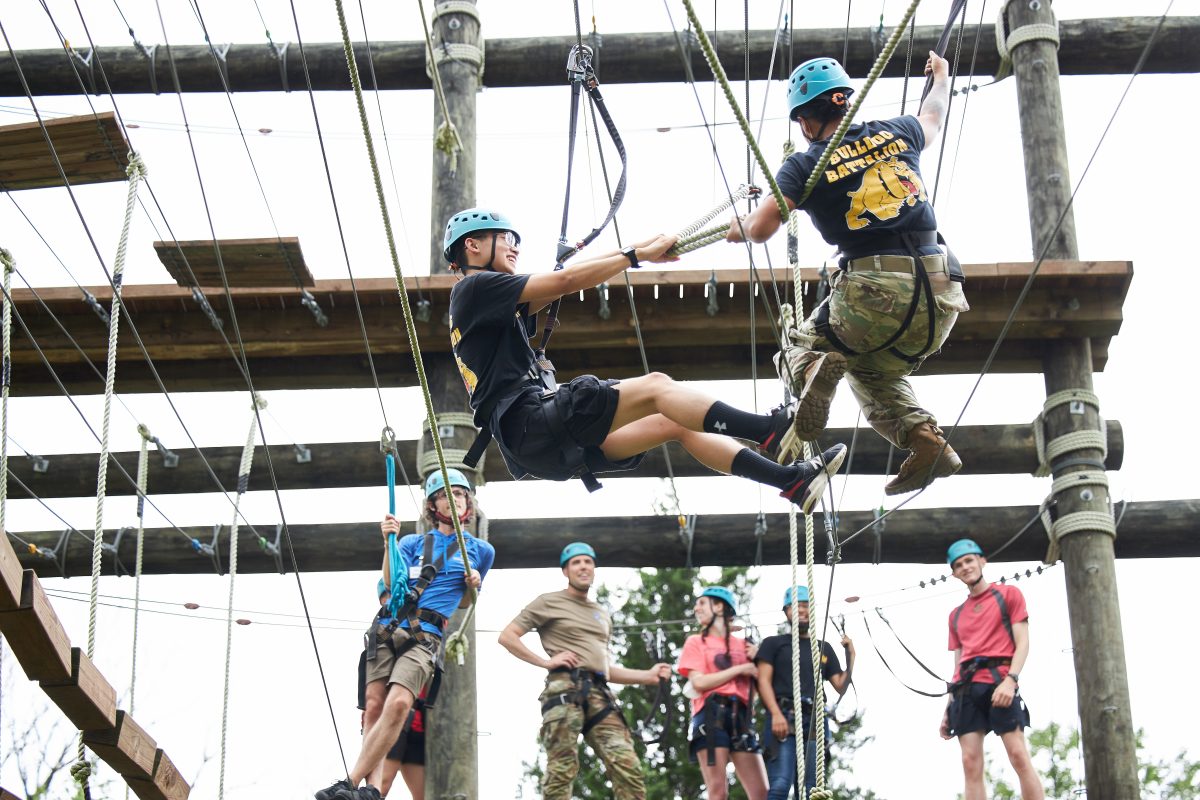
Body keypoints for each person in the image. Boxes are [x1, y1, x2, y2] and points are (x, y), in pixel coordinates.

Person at [443, 208, 846, 513]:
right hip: (532, 425)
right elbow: (566, 282)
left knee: (675, 421)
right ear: (473, 246)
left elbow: (566, 284)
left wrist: (633, 256)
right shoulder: (475, 288)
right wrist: (635, 254)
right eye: (504, 237)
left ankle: (791, 482)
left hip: (535, 444)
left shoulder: (484, 302)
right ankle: (769, 431)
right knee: (656, 386)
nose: (515, 245)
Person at [726, 52, 970, 496]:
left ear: (804, 121)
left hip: (874, 291)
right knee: (871, 371)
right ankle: (926, 441)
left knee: (797, 350)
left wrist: (737, 227)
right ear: (846, 103)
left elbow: (761, 228)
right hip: (941, 296)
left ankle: (817, 364)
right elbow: (933, 114)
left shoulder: (806, 164)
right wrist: (942, 76)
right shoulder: (899, 132)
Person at [316, 469, 495, 800]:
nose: (452, 499)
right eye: (444, 494)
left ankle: (350, 782)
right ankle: (371, 789)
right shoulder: (413, 543)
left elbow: (463, 602)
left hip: (426, 635)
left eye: (458, 494)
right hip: (388, 626)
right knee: (373, 706)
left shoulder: (481, 552)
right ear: (432, 505)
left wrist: (474, 586)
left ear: (467, 502)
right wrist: (389, 543)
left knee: (399, 703)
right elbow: (390, 584)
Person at [498, 542, 670, 800]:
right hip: (565, 689)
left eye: (588, 562)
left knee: (628, 767)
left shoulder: (600, 614)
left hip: (600, 694)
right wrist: (546, 662)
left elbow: (604, 668)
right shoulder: (548, 602)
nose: (583, 567)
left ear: (594, 569)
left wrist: (649, 675)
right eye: (576, 562)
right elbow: (508, 636)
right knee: (562, 769)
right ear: (565, 571)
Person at [940, 539, 1043, 800]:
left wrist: (1011, 680)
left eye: (969, 560)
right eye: (959, 565)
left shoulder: (1008, 595)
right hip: (966, 690)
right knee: (969, 762)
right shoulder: (956, 615)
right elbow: (957, 663)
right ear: (954, 573)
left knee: (1018, 754)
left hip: (999, 682)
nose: (965, 567)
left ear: (982, 561)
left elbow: (1023, 643)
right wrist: (948, 707)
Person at [755, 586, 854, 799]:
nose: (801, 610)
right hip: (784, 714)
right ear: (786, 612)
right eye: (796, 606)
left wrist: (850, 655)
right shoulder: (773, 644)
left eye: (805, 606)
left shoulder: (823, 647)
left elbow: (840, 685)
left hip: (815, 720)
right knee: (780, 784)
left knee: (812, 788)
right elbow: (763, 682)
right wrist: (776, 714)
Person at [677, 586, 768, 800]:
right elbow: (699, 682)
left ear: (718, 606)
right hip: (711, 714)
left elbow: (760, 686)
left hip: (742, 717)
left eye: (701, 603)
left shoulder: (745, 645)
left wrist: (759, 658)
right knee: (718, 791)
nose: (695, 608)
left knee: (761, 792)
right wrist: (740, 669)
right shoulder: (696, 642)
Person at [353, 580, 426, 799]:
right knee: (381, 784)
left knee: (425, 792)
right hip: (394, 722)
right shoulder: (382, 637)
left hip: (422, 724)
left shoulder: (424, 632)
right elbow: (371, 695)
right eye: (388, 596)